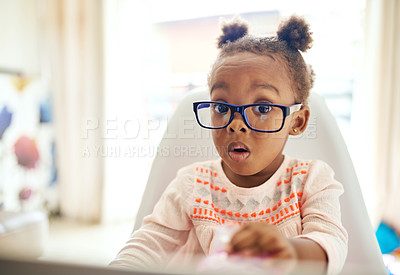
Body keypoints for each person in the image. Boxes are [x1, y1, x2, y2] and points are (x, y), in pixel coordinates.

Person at [109, 15, 348, 275]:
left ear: (297, 121)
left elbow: (330, 242)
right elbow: (148, 245)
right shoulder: (192, 183)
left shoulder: (311, 179)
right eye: (221, 107)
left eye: (262, 107)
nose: (235, 124)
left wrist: (291, 253)